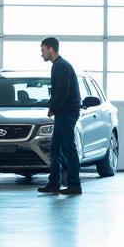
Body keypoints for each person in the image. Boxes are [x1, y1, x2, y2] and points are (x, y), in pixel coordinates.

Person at [37, 37, 83, 196]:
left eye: (43, 50)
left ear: (51, 49)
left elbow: (63, 91)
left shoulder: (61, 67)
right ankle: (54, 183)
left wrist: (53, 108)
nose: (41, 54)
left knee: (69, 148)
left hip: (66, 112)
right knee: (55, 149)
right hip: (63, 112)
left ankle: (74, 185)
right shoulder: (58, 66)